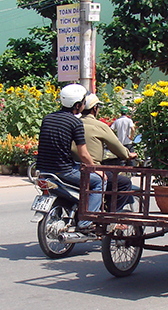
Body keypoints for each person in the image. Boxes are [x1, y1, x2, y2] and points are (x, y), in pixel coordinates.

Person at [36, 84, 106, 230]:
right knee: (99, 182)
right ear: (78, 105)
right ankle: (86, 222)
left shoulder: (47, 118)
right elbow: (83, 154)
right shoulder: (75, 122)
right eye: (83, 102)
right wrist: (95, 169)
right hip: (63, 171)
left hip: (43, 170)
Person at [72, 94, 138, 211]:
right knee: (124, 183)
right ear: (95, 108)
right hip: (92, 169)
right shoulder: (100, 126)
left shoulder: (73, 123)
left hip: (72, 169)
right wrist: (128, 154)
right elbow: (116, 146)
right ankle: (111, 215)